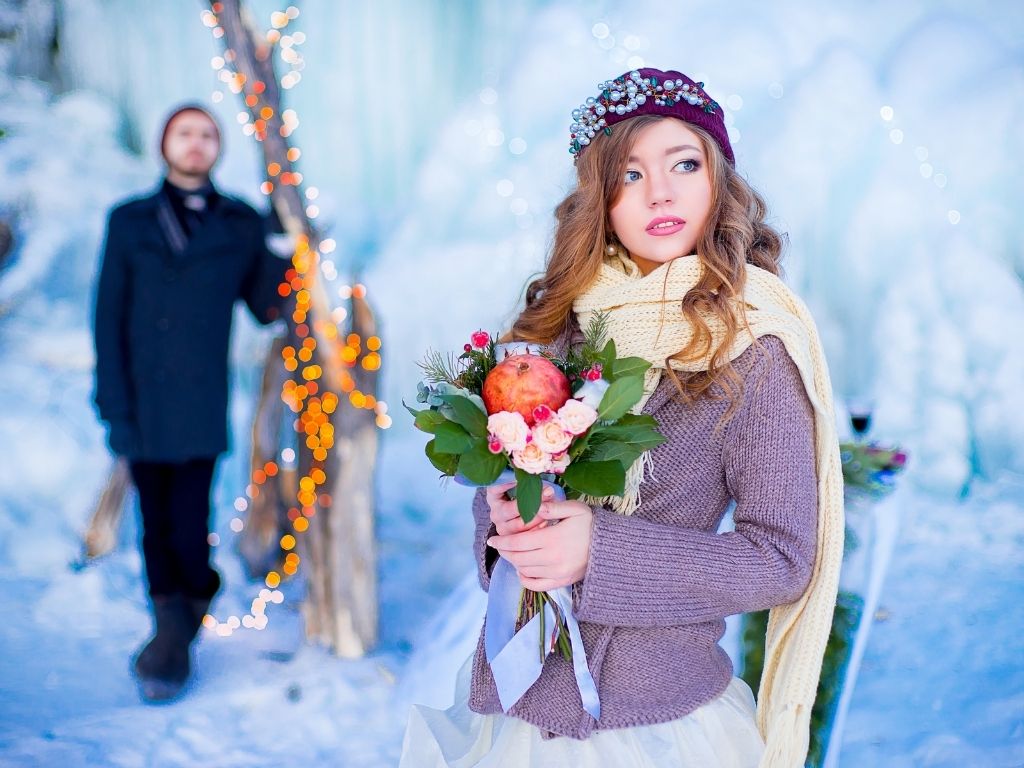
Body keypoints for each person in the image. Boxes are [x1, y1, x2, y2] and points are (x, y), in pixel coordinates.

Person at [400, 68, 844, 767]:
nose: (660, 192)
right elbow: (506, 495)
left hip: (658, 726)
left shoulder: (753, 351)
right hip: (519, 706)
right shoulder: (562, 327)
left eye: (684, 164)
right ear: (599, 201)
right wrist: (505, 524)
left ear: (719, 183)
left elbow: (783, 560)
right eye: (629, 175)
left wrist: (598, 554)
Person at [92, 103, 287, 702]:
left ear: (218, 147)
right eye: (185, 133)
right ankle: (171, 636)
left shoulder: (239, 223)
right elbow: (107, 318)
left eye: (206, 135)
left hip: (200, 400)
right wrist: (113, 403)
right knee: (155, 521)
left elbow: (265, 304)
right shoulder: (128, 221)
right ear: (165, 144)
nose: (196, 144)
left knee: (191, 518)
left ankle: (182, 616)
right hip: (142, 399)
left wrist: (285, 245)